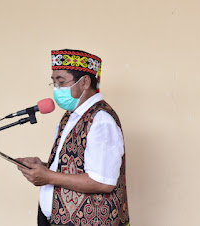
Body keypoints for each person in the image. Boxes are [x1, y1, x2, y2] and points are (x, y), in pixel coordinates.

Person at [16, 49, 129, 226]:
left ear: (84, 82)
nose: (56, 89)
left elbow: (103, 181)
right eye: (53, 83)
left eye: (61, 82)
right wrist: (45, 167)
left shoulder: (101, 120)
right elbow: (77, 166)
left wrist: (48, 176)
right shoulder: (70, 117)